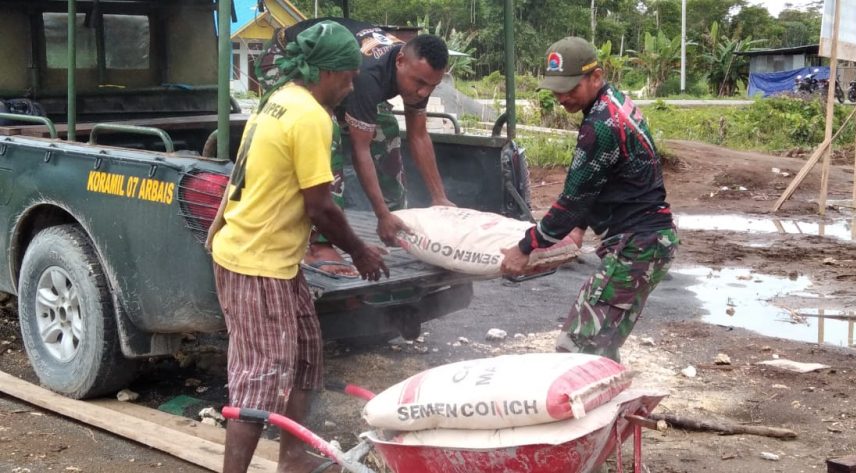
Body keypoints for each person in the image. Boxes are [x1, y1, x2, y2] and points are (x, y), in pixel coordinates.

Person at [205, 21, 388, 473]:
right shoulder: (309, 117)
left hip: (275, 262)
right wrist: (360, 252)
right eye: (348, 76)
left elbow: (245, 173)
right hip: (256, 263)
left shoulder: (279, 100)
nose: (351, 86)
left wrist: (218, 224)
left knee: (306, 358)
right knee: (259, 379)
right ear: (327, 72)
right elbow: (321, 207)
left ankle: (293, 464)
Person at [500, 37, 680, 363]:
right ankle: (614, 410)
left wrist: (525, 248)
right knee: (601, 345)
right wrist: (579, 227)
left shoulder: (600, 125)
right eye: (556, 89)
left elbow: (570, 202)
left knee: (576, 348)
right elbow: (598, 180)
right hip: (649, 240)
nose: (561, 97)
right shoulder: (612, 103)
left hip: (636, 245)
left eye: (569, 87)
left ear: (595, 76)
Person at [258, 18, 455, 277]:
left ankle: (400, 223)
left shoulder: (418, 73)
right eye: (419, 83)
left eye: (431, 86)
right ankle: (318, 244)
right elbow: (360, 149)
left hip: (338, 73)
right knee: (326, 131)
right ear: (400, 62)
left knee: (386, 129)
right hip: (286, 55)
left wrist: (439, 197)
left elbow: (418, 136)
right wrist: (379, 214)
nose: (422, 92)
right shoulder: (369, 75)